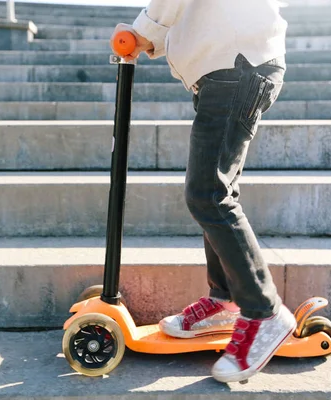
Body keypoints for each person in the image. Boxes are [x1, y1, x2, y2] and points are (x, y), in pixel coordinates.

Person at [110, 0, 296, 384]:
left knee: (208, 194)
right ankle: (226, 297)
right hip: (230, 65)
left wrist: (147, 28)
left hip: (237, 65)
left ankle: (263, 310)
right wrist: (152, 41)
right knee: (216, 192)